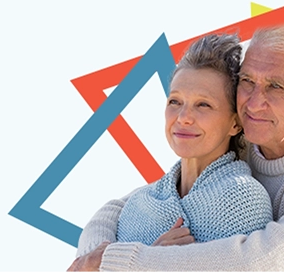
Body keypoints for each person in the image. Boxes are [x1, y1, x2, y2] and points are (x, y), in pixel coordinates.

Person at [68, 24, 284, 272]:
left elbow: (266, 264)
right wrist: (98, 256)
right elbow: (128, 205)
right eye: (247, 81)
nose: (254, 101)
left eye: (276, 86)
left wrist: (133, 262)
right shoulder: (253, 139)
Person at [69, 33, 273, 264]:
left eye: (203, 105)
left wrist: (146, 262)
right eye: (174, 101)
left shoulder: (242, 200)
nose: (183, 117)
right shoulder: (141, 202)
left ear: (235, 123)